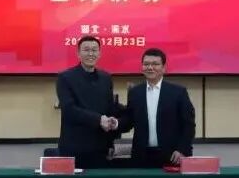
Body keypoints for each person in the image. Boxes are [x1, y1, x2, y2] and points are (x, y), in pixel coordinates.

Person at [119, 48, 196, 168]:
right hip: (142, 156)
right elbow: (129, 120)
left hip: (172, 155)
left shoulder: (178, 92)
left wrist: (182, 149)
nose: (150, 67)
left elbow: (188, 125)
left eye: (155, 64)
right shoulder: (135, 92)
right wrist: (115, 123)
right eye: (146, 64)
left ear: (164, 68)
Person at [56, 36, 120, 168]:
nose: (91, 54)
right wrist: (99, 119)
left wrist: (111, 142)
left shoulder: (106, 78)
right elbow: (69, 109)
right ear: (78, 53)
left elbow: (109, 108)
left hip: (100, 147)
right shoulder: (65, 77)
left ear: (99, 53)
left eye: (94, 50)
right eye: (86, 50)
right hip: (74, 147)